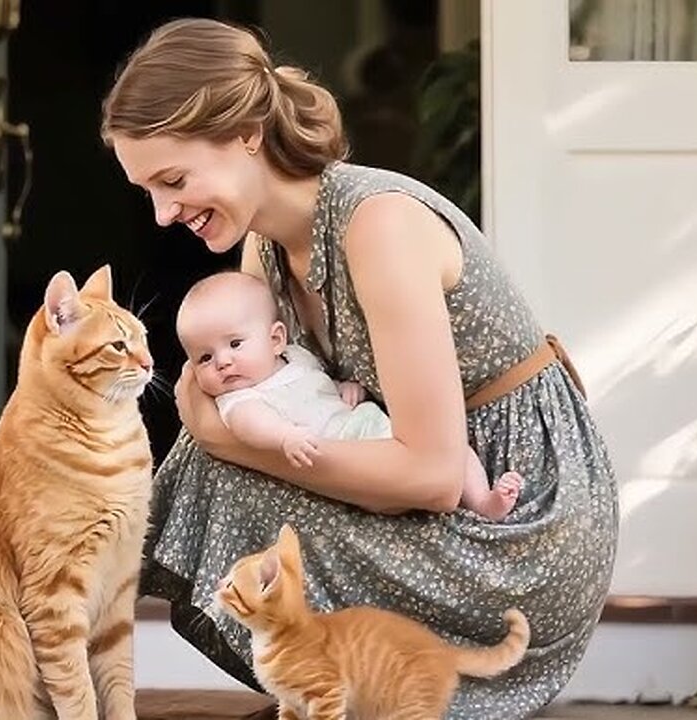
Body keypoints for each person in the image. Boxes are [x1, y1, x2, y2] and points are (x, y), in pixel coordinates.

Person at [100, 17, 618, 719]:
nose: (163, 214)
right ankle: (332, 685)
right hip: (420, 475)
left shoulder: (376, 226)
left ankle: (371, 684)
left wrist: (231, 438)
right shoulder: (266, 251)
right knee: (218, 450)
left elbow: (435, 478)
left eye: (174, 179)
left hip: (511, 512)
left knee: (216, 456)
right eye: (147, 192)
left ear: (246, 133)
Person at [177, 270, 523, 520]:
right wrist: (285, 437)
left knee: (452, 448)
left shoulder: (295, 357)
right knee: (402, 483)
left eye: (235, 344)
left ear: (276, 339)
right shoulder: (239, 399)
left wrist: (343, 389)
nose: (222, 361)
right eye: (204, 358)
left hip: (363, 425)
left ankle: (482, 502)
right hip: (344, 454)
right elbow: (249, 425)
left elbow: (317, 384)